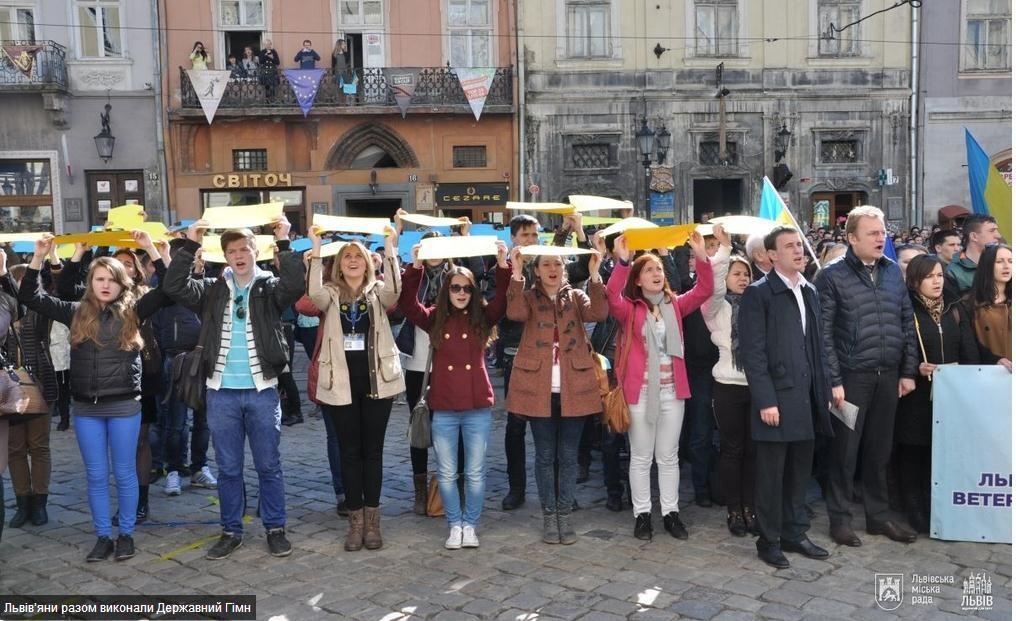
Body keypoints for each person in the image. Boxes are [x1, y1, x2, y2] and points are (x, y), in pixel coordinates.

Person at [19, 232, 173, 562]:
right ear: (92, 282)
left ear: (122, 283)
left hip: (124, 405)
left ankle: (126, 534)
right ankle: (103, 535)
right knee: (97, 475)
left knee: (125, 472)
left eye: (111, 279)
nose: (105, 285)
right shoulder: (75, 311)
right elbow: (31, 297)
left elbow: (170, 289)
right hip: (86, 408)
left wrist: (151, 250)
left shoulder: (134, 311)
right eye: (99, 279)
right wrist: (39, 257)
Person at [162, 218, 305, 560]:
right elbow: (174, 286)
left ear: (256, 252)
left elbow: (296, 283)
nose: (238, 255)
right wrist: (190, 244)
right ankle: (231, 530)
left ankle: (275, 527)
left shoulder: (269, 287)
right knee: (228, 468)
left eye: (244, 249)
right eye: (231, 251)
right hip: (220, 392)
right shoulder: (212, 289)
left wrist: (283, 241)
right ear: (223, 256)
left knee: (269, 465)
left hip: (261, 390)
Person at [815, 206, 919, 547]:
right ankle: (840, 519)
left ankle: (878, 517)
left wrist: (906, 371)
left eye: (883, 231)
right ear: (852, 237)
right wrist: (833, 381)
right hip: (849, 378)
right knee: (844, 452)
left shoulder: (892, 273)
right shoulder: (830, 277)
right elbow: (823, 334)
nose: (881, 238)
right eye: (873, 233)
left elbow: (906, 323)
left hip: (887, 376)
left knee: (879, 451)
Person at [398, 242, 510, 549]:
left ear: (474, 292)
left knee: (474, 472)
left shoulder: (483, 318)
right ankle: (454, 524)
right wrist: (416, 266)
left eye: (467, 289)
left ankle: (470, 524)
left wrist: (502, 264)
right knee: (447, 473)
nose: (461, 293)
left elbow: (503, 298)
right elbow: (407, 304)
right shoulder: (435, 318)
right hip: (444, 407)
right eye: (455, 287)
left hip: (476, 408)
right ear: (446, 290)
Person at [608, 231, 714, 541]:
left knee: (668, 457)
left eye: (659, 269)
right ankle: (642, 514)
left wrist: (700, 256)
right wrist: (623, 261)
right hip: (639, 394)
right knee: (641, 456)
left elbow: (705, 289)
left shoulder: (675, 305)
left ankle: (671, 512)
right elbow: (611, 296)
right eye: (649, 270)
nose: (656, 273)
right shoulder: (630, 309)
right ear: (638, 280)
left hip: (672, 392)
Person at [739, 226, 834, 569]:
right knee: (771, 475)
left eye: (800, 245)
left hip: (807, 398)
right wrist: (766, 400)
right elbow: (753, 352)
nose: (799, 251)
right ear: (771, 255)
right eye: (789, 246)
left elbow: (818, 347)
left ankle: (795, 533)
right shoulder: (759, 293)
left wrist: (824, 390)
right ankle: (769, 539)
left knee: (799, 472)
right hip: (776, 400)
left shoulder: (809, 290)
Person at [307, 226, 403, 552]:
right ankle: (355, 523)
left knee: (372, 452)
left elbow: (396, 292)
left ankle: (373, 524)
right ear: (338, 264)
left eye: (357, 257)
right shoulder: (330, 294)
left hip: (377, 382)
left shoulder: (378, 291)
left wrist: (390, 248)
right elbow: (312, 295)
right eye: (346, 256)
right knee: (349, 453)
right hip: (340, 385)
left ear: (367, 263)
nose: (352, 261)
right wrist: (316, 247)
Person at [504, 248, 606, 545]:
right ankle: (550, 514)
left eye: (557, 264)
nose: (552, 269)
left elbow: (598, 313)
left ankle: (565, 513)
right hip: (539, 387)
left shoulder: (574, 296)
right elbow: (514, 313)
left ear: (565, 268)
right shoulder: (529, 297)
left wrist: (596, 275)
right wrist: (516, 274)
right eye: (546, 264)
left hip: (574, 384)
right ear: (537, 270)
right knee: (546, 455)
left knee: (568, 455)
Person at [896, 255, 980, 533]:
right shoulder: (906, 309)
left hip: (951, 394)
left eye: (940, 276)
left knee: (941, 451)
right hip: (918, 395)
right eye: (930, 276)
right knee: (914, 450)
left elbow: (970, 349)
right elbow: (898, 348)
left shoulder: (955, 309)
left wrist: (993, 363)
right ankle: (913, 504)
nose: (936, 281)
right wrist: (912, 368)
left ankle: (937, 503)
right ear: (915, 280)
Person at [701, 231, 759, 537]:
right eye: (736, 273)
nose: (742, 278)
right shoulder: (715, 307)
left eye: (746, 273)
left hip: (756, 386)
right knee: (732, 449)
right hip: (727, 385)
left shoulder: (758, 304)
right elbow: (712, 279)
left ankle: (751, 507)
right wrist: (725, 249)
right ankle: (734, 509)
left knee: (753, 450)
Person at [498, 215, 541, 511]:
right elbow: (503, 310)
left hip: (546, 353)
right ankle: (517, 487)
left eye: (534, 235)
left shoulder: (546, 263)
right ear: (514, 237)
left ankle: (552, 485)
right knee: (515, 426)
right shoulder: (502, 266)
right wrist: (509, 271)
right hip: (515, 353)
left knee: (549, 424)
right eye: (525, 235)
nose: (530, 240)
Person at [963, 244, 1012, 371]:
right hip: (987, 374)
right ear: (987, 265)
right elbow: (968, 343)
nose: (1007, 266)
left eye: (1011, 261)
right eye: (999, 261)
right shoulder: (970, 303)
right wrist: (993, 359)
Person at [946, 215, 1002, 296]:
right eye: (992, 231)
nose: (998, 236)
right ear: (974, 236)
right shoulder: (953, 272)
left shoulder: (1005, 263)